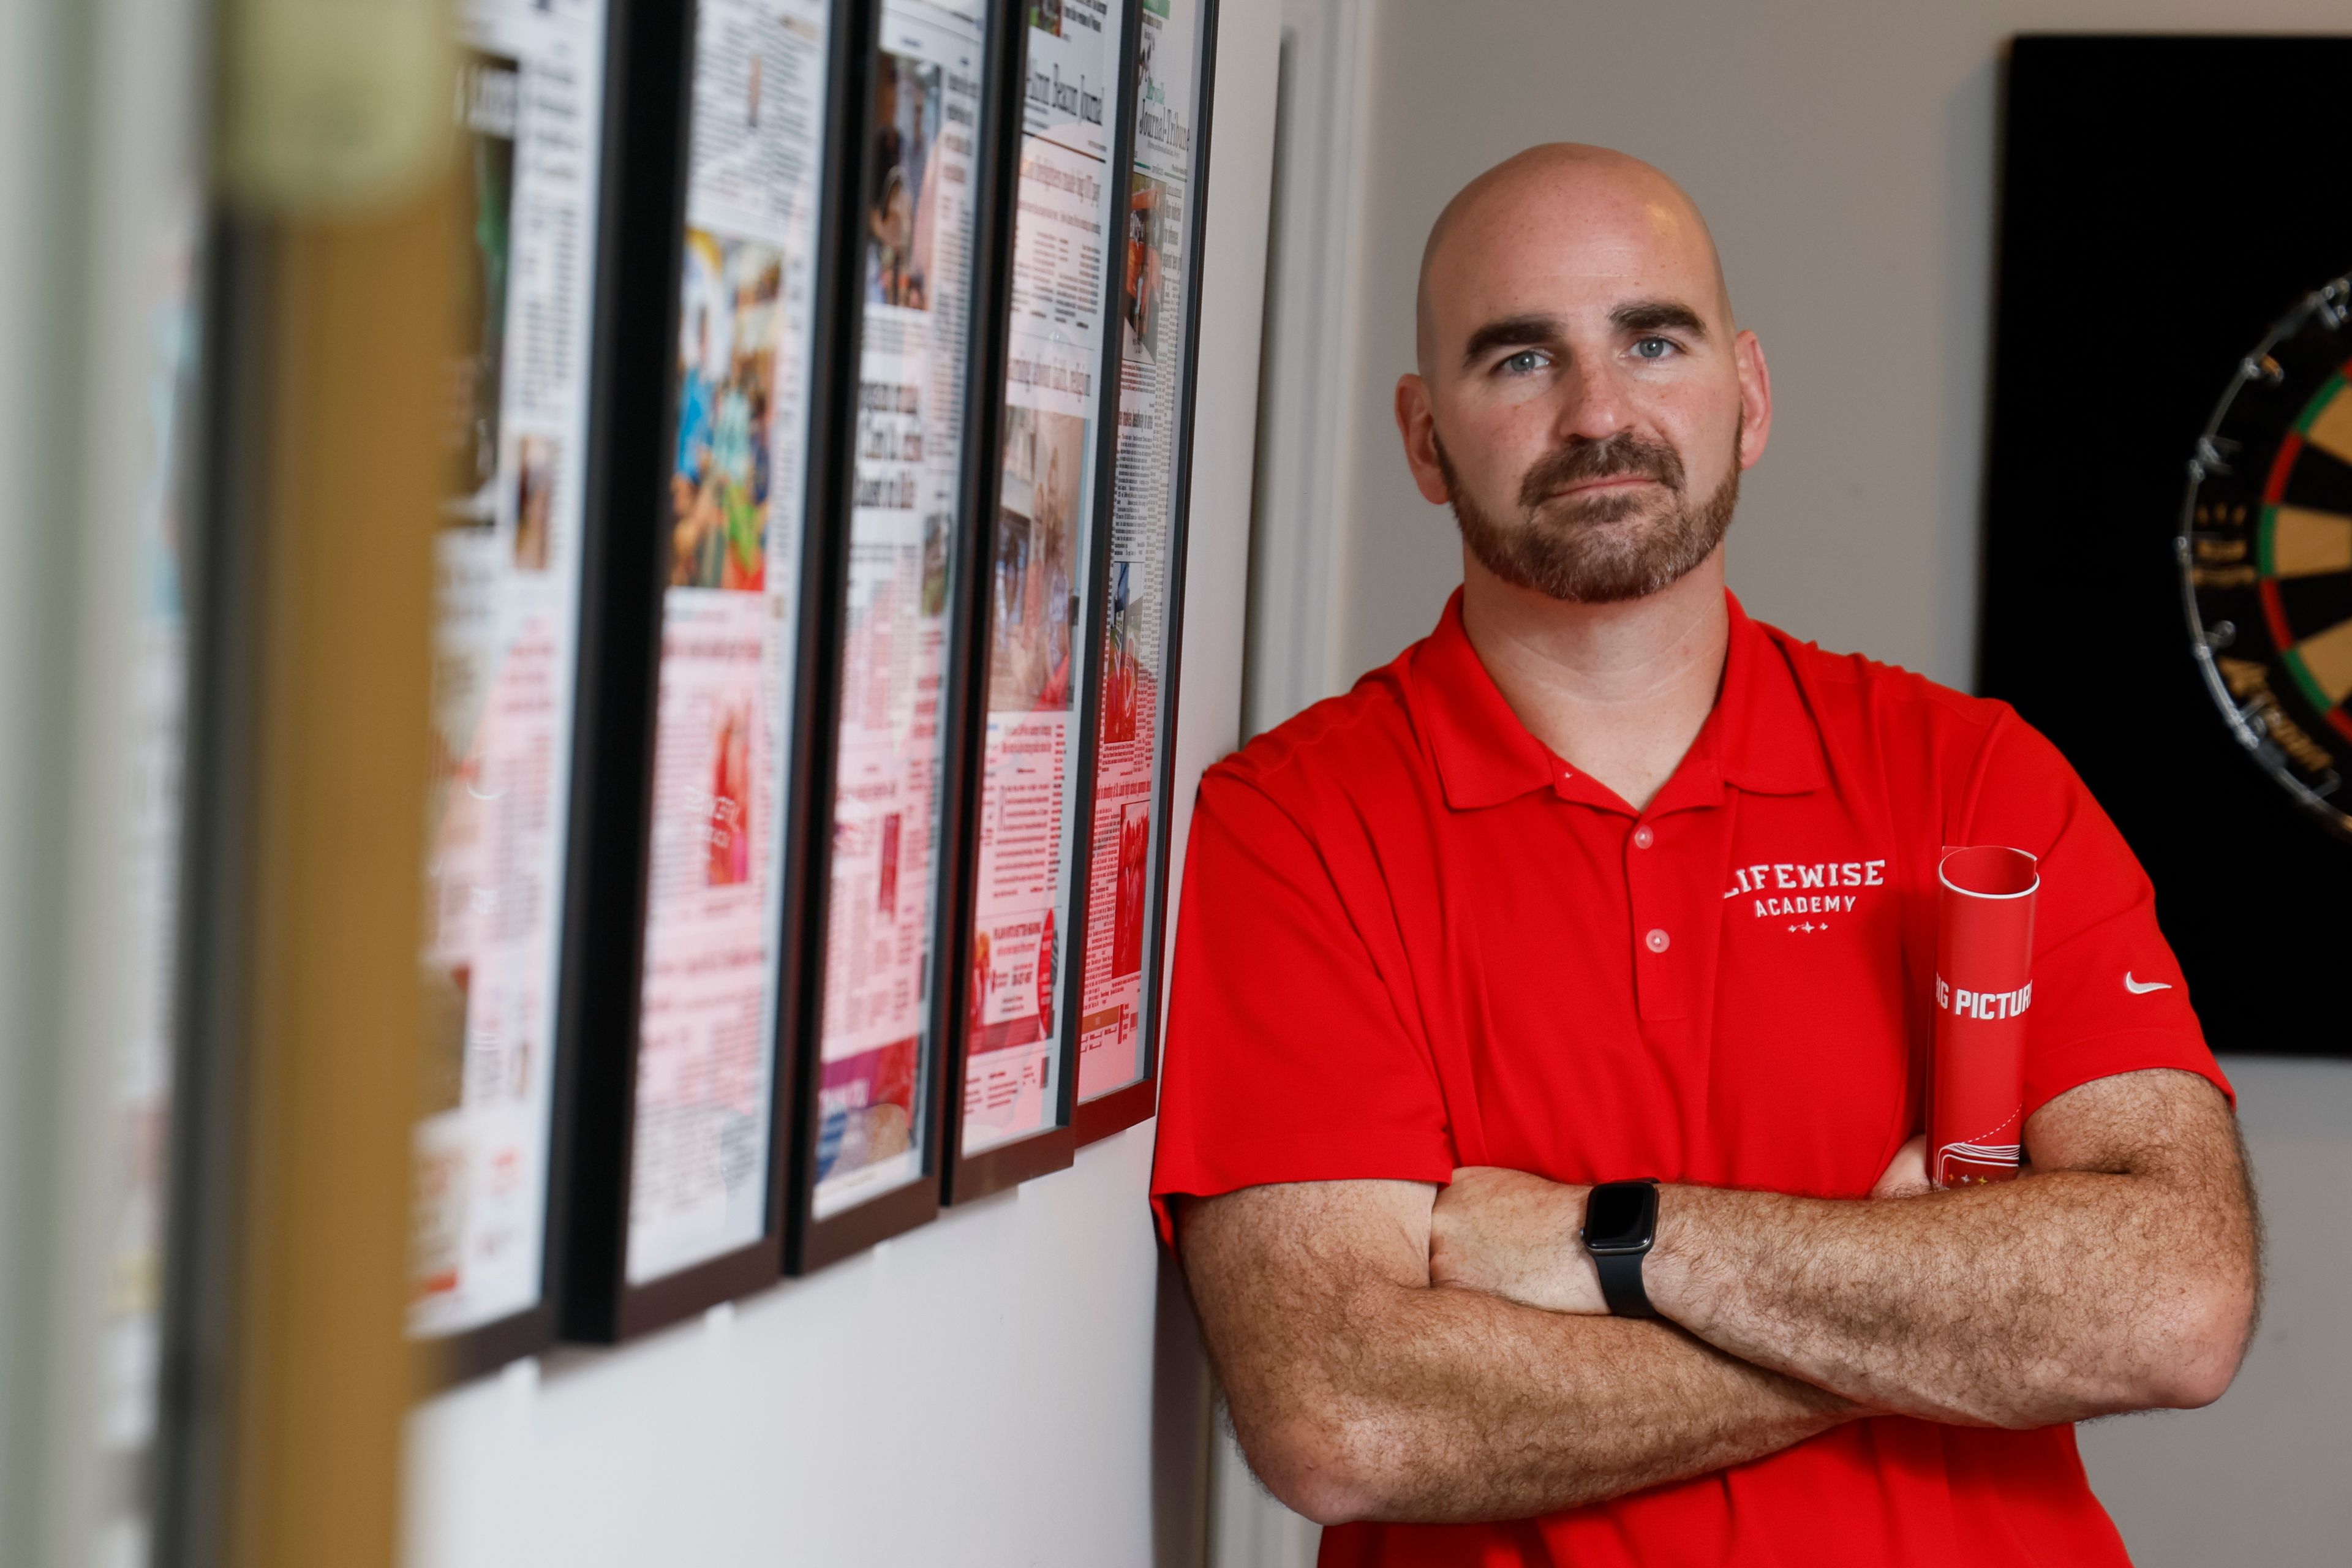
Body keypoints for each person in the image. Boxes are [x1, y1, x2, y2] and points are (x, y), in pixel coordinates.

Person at [1151, 144, 2258, 1566]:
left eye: (1651, 339)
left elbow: (2175, 1296)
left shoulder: (1977, 778)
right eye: (1518, 359)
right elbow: (1350, 1414)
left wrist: (1612, 1239)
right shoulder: (1294, 827)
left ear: (1749, 396)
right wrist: (1923, 1312)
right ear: (1425, 440)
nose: (1599, 412)